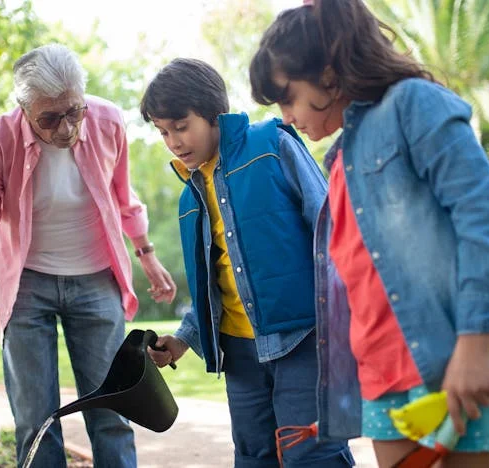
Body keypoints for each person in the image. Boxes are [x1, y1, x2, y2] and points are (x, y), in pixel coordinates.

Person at [249, 2, 489, 467]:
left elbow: (483, 218)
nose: (287, 116)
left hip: (453, 355)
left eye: (288, 96)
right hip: (381, 377)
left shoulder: (414, 103)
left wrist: (476, 344)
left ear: (329, 73)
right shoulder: (337, 162)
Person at [0, 43, 177, 468]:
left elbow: (124, 197)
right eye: (49, 119)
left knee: (114, 411)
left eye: (73, 111)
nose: (66, 129)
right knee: (36, 420)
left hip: (96, 279)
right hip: (27, 284)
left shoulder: (106, 121)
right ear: (24, 109)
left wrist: (147, 255)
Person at [141, 58, 354, 468]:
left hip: (303, 338)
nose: (173, 141)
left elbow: (332, 230)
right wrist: (185, 338)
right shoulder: (191, 198)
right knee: (254, 458)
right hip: (239, 354)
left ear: (213, 114)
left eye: (181, 126)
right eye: (163, 131)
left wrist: (352, 319)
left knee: (311, 454)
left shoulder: (271, 147)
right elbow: (214, 285)